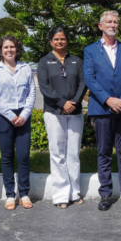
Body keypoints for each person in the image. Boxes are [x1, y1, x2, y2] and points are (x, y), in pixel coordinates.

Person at [84, 10, 121, 211]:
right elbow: (90, 79)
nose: (113, 25)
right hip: (101, 109)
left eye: (116, 22)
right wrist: (109, 100)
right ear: (101, 26)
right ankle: (106, 194)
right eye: (109, 21)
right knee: (104, 152)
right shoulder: (90, 50)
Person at [37, 27, 87, 209]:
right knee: (58, 154)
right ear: (51, 41)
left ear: (67, 41)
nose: (60, 42)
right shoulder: (44, 62)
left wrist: (73, 102)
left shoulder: (76, 61)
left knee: (73, 153)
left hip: (74, 112)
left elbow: (83, 83)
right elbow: (44, 86)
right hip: (53, 113)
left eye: (63, 39)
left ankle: (74, 192)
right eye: (56, 39)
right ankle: (60, 195)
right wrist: (61, 103)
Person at [0, 35, 36, 210]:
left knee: (23, 157)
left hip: (23, 115)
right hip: (3, 116)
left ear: (17, 49)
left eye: (12, 47)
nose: (9, 50)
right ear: (0, 50)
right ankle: (10, 194)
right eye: (6, 47)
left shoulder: (25, 68)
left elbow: (31, 93)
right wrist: (9, 115)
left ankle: (24, 193)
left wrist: (24, 114)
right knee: (7, 157)